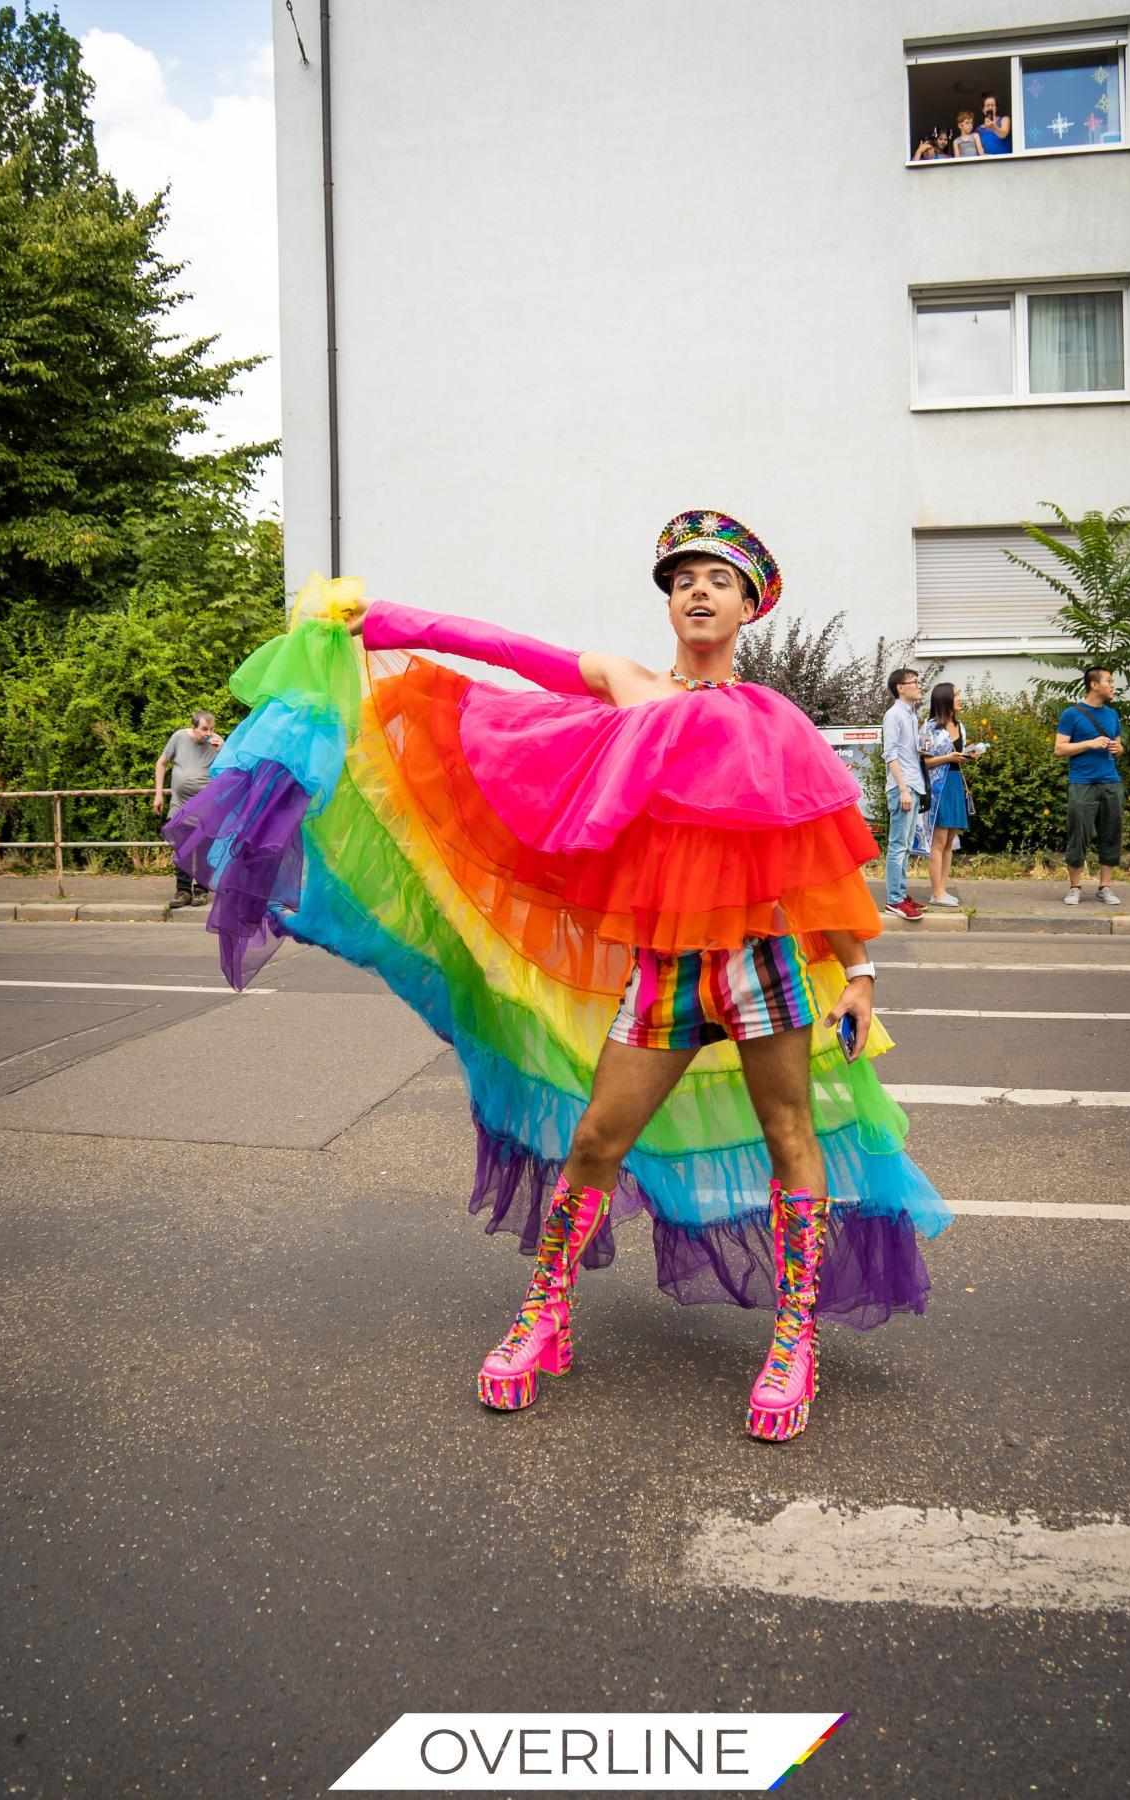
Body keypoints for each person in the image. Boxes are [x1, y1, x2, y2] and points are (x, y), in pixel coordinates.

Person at [167, 520, 950, 1444]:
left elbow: (816, 856)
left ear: (750, 605)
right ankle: (547, 1312)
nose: (699, 592)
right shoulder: (630, 686)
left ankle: (791, 1338)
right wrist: (378, 620)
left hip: (764, 961)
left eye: (719, 581)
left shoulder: (776, 720)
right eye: (683, 579)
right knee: (595, 1139)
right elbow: (506, 651)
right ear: (668, 602)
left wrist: (857, 972)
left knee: (789, 1131)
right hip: (666, 968)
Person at [1055, 666, 1125, 907]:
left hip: (1111, 782)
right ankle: (1075, 888)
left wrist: (1118, 748)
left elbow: (1118, 745)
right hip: (1082, 783)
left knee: (1111, 833)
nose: (1113, 685)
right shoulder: (1071, 714)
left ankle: (1104, 888)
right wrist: (1089, 743)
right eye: (1109, 680)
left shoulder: (1113, 715)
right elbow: (1059, 749)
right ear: (1094, 685)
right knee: (1079, 833)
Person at [913, 683, 981, 906]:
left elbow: (956, 756)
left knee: (950, 841)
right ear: (944, 699)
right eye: (956, 695)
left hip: (954, 785)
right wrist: (949, 758)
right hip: (938, 788)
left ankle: (942, 889)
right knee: (938, 842)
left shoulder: (959, 726)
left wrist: (969, 756)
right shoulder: (930, 727)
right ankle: (937, 892)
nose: (960, 698)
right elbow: (925, 762)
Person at [153, 711, 224, 906]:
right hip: (181, 806)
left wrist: (222, 752)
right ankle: (182, 892)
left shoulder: (218, 744)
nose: (208, 733)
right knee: (181, 848)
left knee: (204, 850)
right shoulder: (178, 737)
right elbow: (161, 763)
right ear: (193, 727)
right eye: (203, 729)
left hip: (207, 807)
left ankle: (201, 890)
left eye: (211, 729)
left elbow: (230, 771)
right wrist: (158, 794)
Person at [882, 668, 927, 921]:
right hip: (904, 787)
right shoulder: (894, 715)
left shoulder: (910, 716)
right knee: (898, 846)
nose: (919, 686)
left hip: (913, 785)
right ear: (901, 687)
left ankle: (900, 894)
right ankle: (894, 900)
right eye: (915, 682)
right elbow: (890, 754)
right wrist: (902, 789)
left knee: (906, 846)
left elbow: (908, 752)